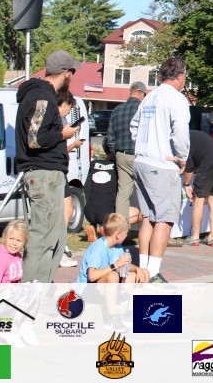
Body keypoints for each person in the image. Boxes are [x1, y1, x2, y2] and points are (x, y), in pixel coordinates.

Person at [16, 50, 79, 283]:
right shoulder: (42, 96)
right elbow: (35, 139)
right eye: (72, 72)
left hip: (49, 172)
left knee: (55, 237)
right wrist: (64, 133)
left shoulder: (42, 95)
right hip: (43, 173)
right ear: (66, 73)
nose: (72, 76)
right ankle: (30, 289)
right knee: (42, 236)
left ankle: (40, 286)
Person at [129, 57, 191, 283]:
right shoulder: (176, 99)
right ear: (180, 76)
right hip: (162, 164)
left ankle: (143, 269)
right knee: (164, 220)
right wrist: (182, 158)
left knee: (148, 218)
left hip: (141, 161)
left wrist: (142, 145)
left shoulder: (149, 97)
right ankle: (153, 274)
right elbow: (181, 132)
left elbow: (134, 126)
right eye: (185, 77)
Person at [105, 82, 146, 220]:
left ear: (131, 92)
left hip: (121, 155)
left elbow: (110, 137)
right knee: (148, 191)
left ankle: (119, 228)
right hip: (140, 156)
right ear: (142, 94)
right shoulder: (143, 109)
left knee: (123, 194)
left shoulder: (117, 110)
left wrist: (114, 152)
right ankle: (148, 227)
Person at [182, 130, 213, 246]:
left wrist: (186, 184)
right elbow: (197, 159)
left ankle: (195, 237)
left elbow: (189, 168)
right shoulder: (194, 135)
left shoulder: (183, 141)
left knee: (199, 199)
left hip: (210, 163)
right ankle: (212, 237)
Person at [56, 88, 85, 268]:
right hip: (56, 170)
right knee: (65, 210)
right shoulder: (58, 121)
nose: (68, 112)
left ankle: (59, 247)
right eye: (68, 107)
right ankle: (58, 250)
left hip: (61, 169)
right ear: (64, 104)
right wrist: (68, 137)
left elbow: (60, 149)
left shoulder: (61, 121)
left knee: (66, 210)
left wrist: (72, 144)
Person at [77, 213, 149, 283]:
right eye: (126, 233)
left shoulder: (117, 247)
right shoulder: (97, 248)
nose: (126, 236)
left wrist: (137, 269)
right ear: (118, 235)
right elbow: (92, 276)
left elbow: (123, 265)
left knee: (144, 273)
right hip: (88, 286)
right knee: (113, 276)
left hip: (105, 281)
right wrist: (116, 265)